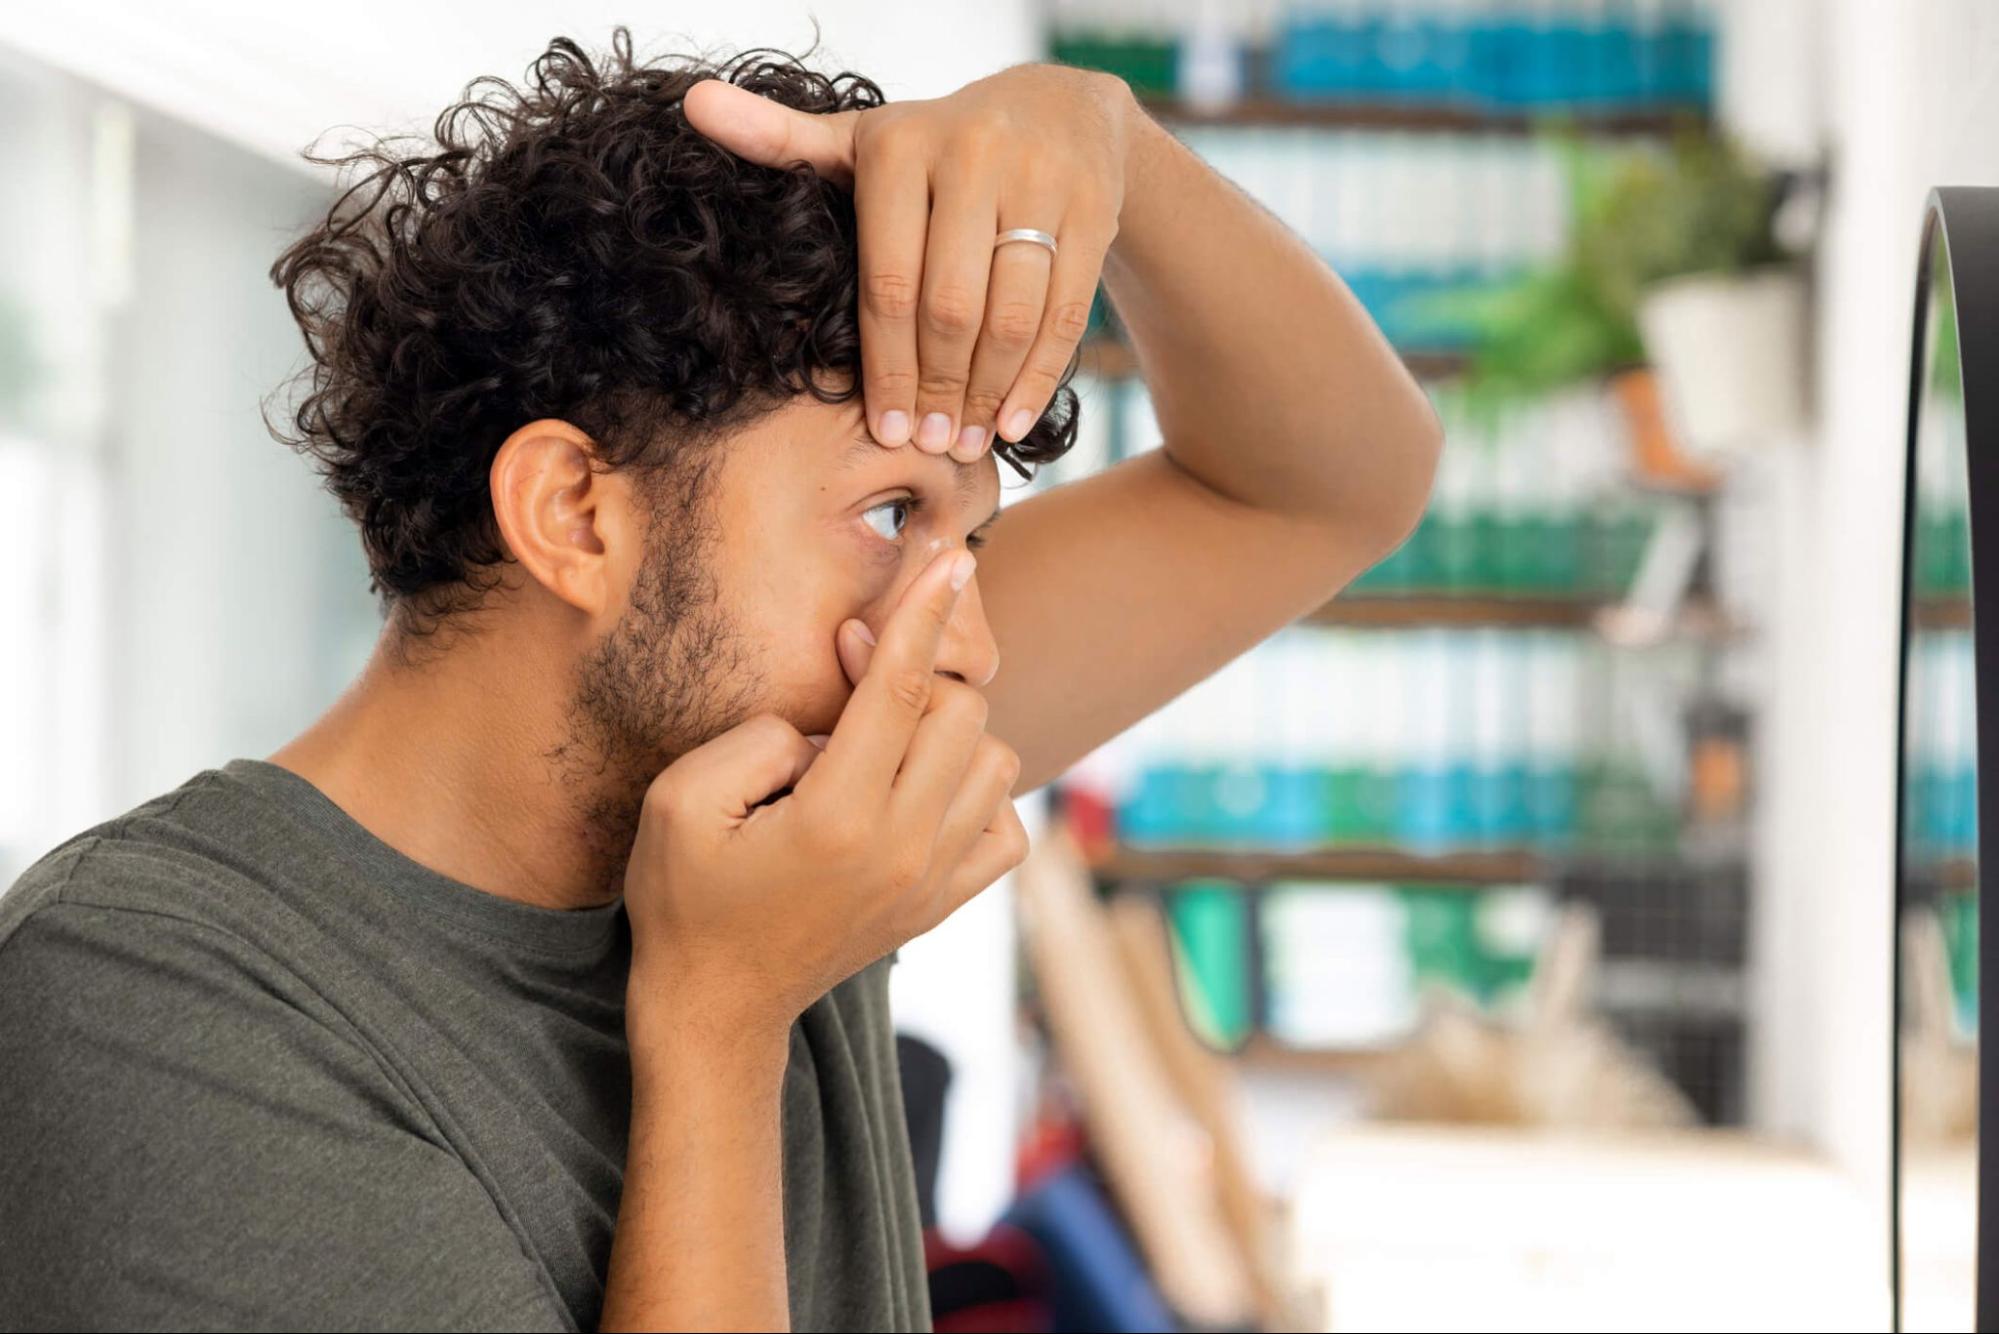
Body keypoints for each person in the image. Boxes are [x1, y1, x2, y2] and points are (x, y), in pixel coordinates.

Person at [0, 26, 1440, 1334]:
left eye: (972, 537)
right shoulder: (142, 1004)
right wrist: (723, 1019)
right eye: (891, 516)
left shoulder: (770, 778)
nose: (973, 643)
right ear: (575, 515)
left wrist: (1113, 148)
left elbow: (1327, 489)